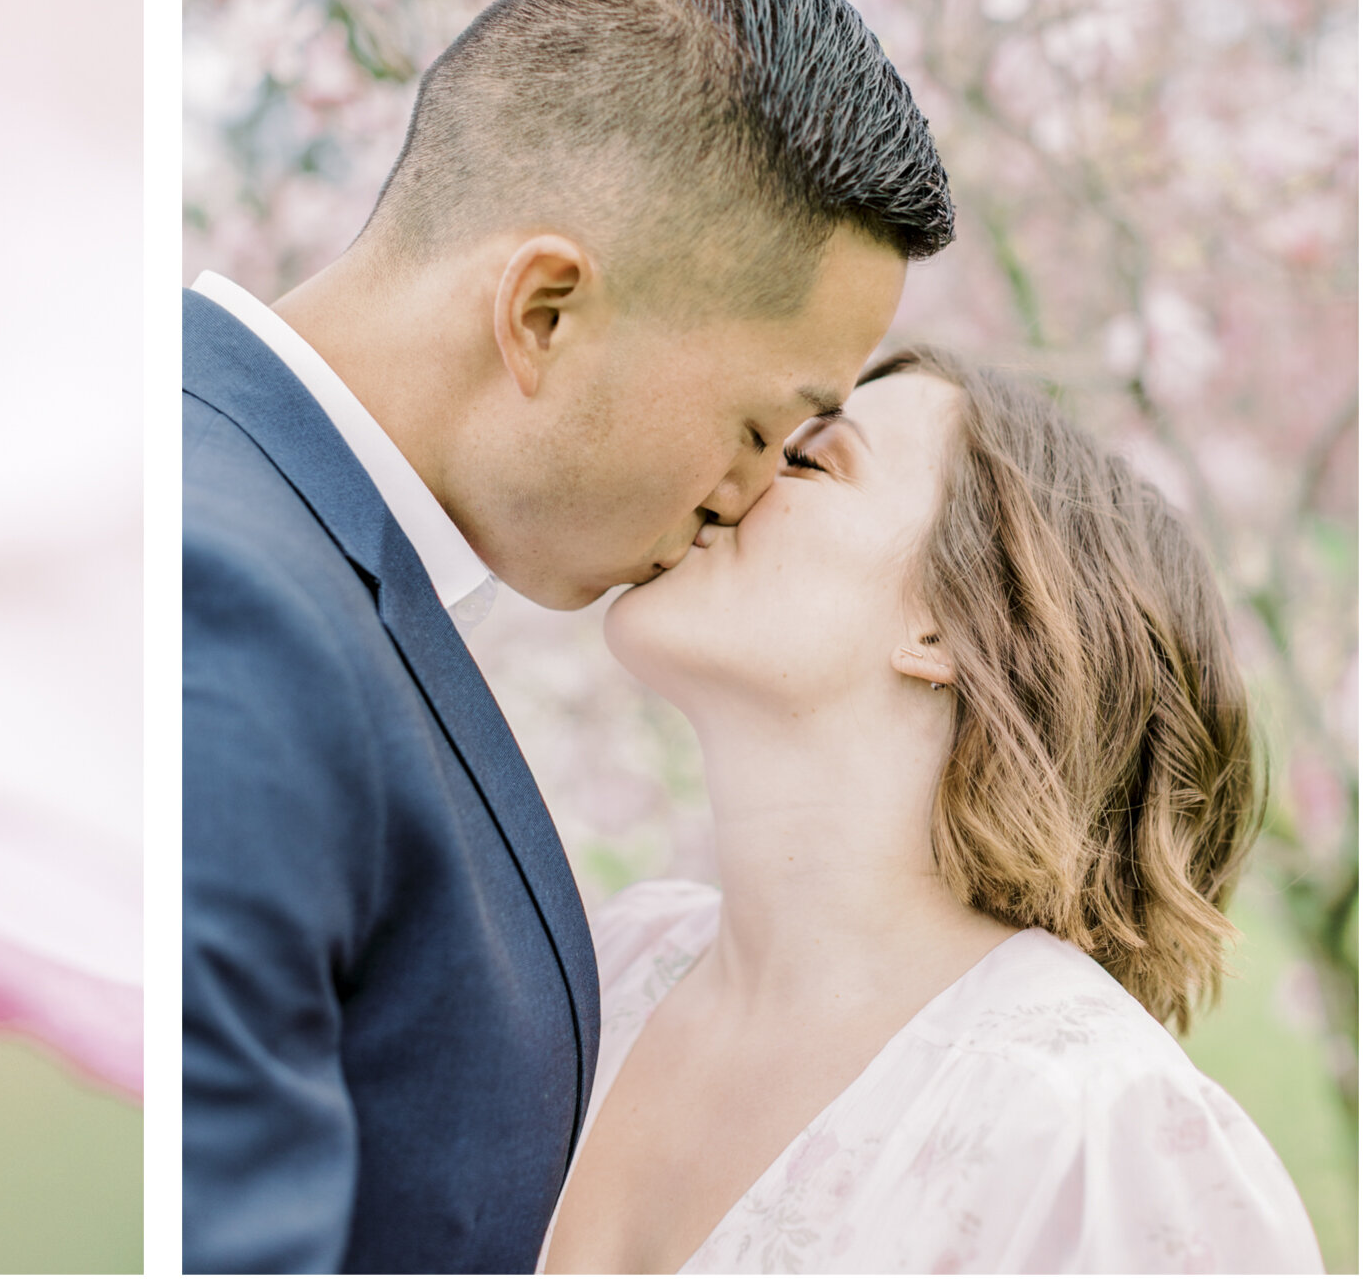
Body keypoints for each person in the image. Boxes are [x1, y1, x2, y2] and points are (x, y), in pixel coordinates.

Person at [183, 0, 955, 1272]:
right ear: (545, 312)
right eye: (769, 426)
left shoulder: (306, 557)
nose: (747, 495)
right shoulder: (237, 600)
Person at [543, 347, 1322, 1274]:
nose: (730, 471)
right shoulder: (602, 971)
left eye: (809, 459)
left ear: (949, 624)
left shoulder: (1090, 1135)